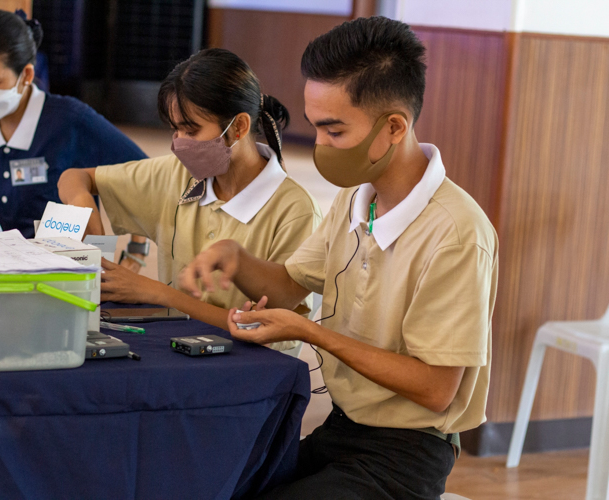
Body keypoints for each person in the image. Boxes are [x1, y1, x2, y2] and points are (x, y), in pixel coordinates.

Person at [179, 17, 498, 499]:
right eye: (315, 128)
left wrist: (308, 331)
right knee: (217, 483)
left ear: (394, 127)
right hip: (343, 430)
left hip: (408, 453)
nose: (320, 146)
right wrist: (235, 256)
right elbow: (290, 285)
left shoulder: (456, 233)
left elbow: (436, 388)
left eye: (334, 131)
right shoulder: (357, 199)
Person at [58, 48, 322, 334]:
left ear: (239, 128)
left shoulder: (296, 212)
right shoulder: (176, 175)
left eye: (191, 130)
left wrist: (157, 293)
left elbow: (268, 329)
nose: (180, 144)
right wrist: (82, 203)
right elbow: (75, 178)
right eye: (175, 130)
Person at [0, 10, 146, 238]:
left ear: (26, 76)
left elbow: (143, 176)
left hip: (64, 270)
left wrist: (136, 251)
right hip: (3, 265)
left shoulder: (70, 120)